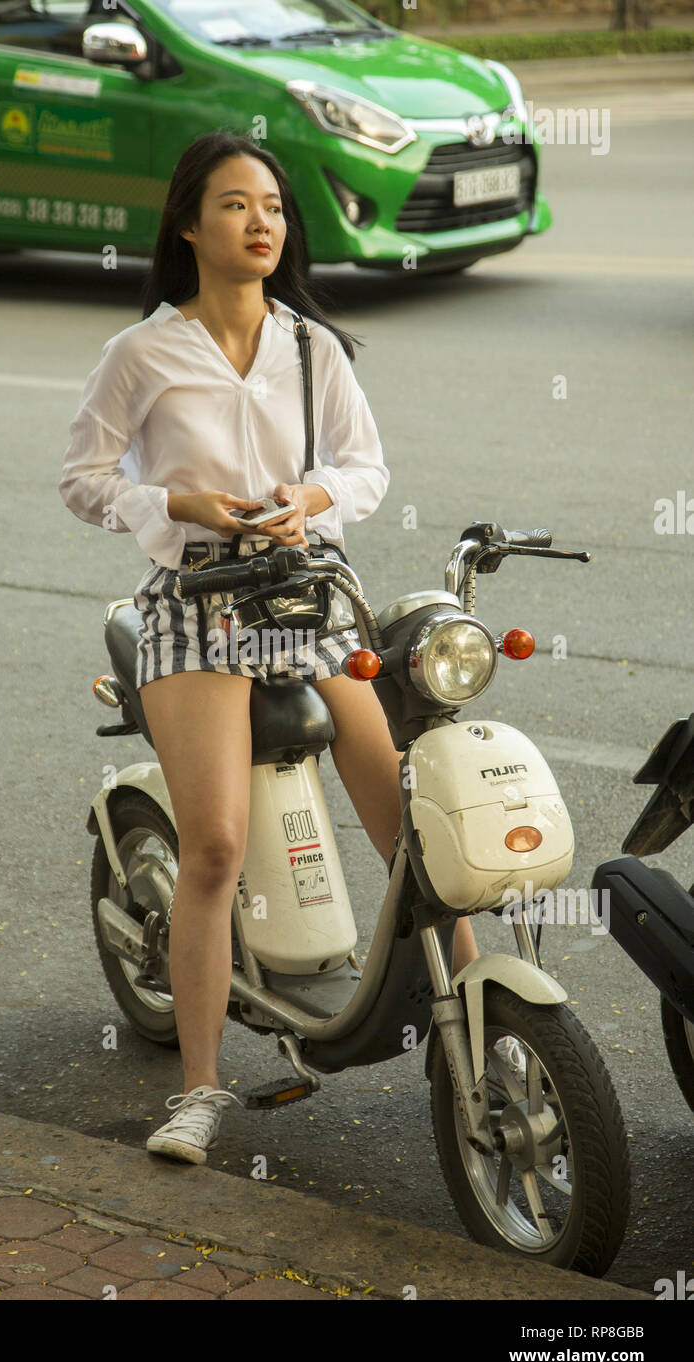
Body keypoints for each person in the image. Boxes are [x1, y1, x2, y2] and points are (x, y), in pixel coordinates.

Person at [59, 130, 479, 1165]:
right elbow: (82, 478)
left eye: (275, 208)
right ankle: (199, 1090)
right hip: (192, 599)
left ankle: (476, 1024)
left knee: (411, 836)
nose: (262, 223)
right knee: (209, 847)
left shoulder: (309, 345)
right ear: (189, 223)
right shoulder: (141, 353)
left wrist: (309, 496)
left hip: (305, 596)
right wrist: (174, 502)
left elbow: (364, 466)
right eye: (238, 205)